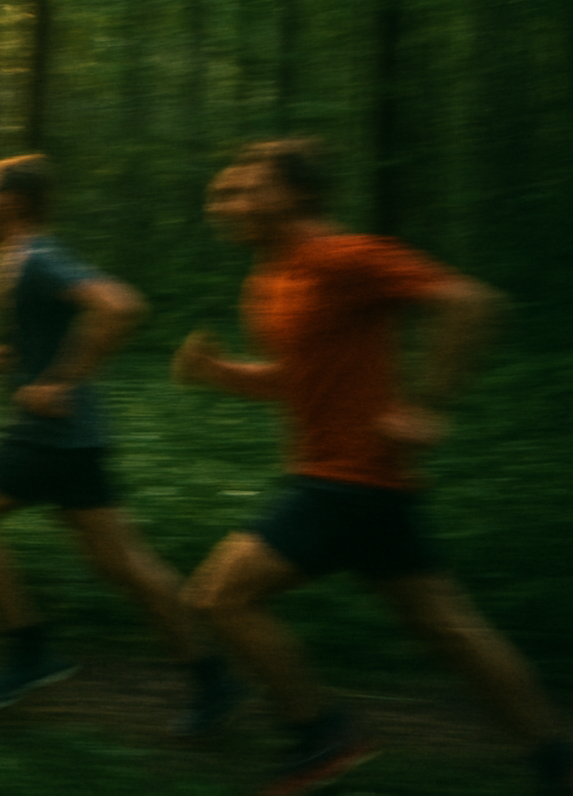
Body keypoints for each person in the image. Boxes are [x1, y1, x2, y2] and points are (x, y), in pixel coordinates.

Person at [173, 139, 573, 795]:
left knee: (219, 595)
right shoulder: (266, 281)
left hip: (344, 481)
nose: (227, 202)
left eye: (246, 188)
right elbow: (293, 379)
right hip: (360, 486)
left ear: (296, 195)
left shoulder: (343, 256)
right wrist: (219, 374)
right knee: (449, 628)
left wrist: (428, 403)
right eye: (223, 192)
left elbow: (468, 302)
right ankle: (555, 757)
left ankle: (324, 737)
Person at [0, 155, 236, 727]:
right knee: (123, 564)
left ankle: (30, 649)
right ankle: (211, 678)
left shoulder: (38, 256)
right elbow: (25, 355)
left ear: (13, 203)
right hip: (73, 440)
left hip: (44, 438)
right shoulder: (15, 260)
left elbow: (121, 305)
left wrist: (62, 381)